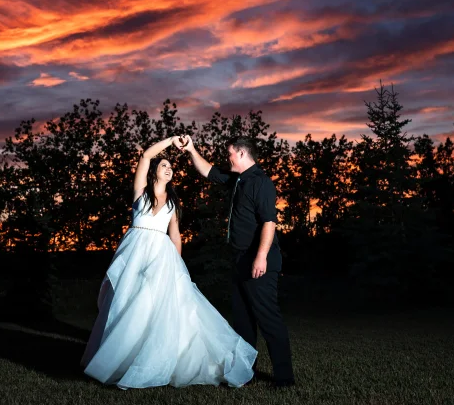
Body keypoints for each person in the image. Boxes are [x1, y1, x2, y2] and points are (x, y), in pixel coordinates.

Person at [81, 136, 257, 389]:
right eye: (164, 165)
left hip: (162, 258)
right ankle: (122, 358)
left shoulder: (173, 203)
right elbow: (145, 156)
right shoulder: (140, 192)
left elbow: (175, 236)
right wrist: (171, 141)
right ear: (154, 172)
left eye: (171, 166)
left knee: (154, 306)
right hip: (134, 254)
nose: (169, 168)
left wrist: (177, 267)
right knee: (128, 304)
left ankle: (154, 359)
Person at [180, 135, 295, 387]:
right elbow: (208, 171)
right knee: (242, 322)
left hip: (259, 260)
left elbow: (269, 222)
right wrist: (190, 149)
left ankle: (285, 378)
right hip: (239, 260)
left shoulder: (260, 182)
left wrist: (260, 257)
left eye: (230, 153)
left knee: (268, 319)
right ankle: (246, 374)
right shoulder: (237, 179)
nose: (227, 157)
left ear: (242, 154)